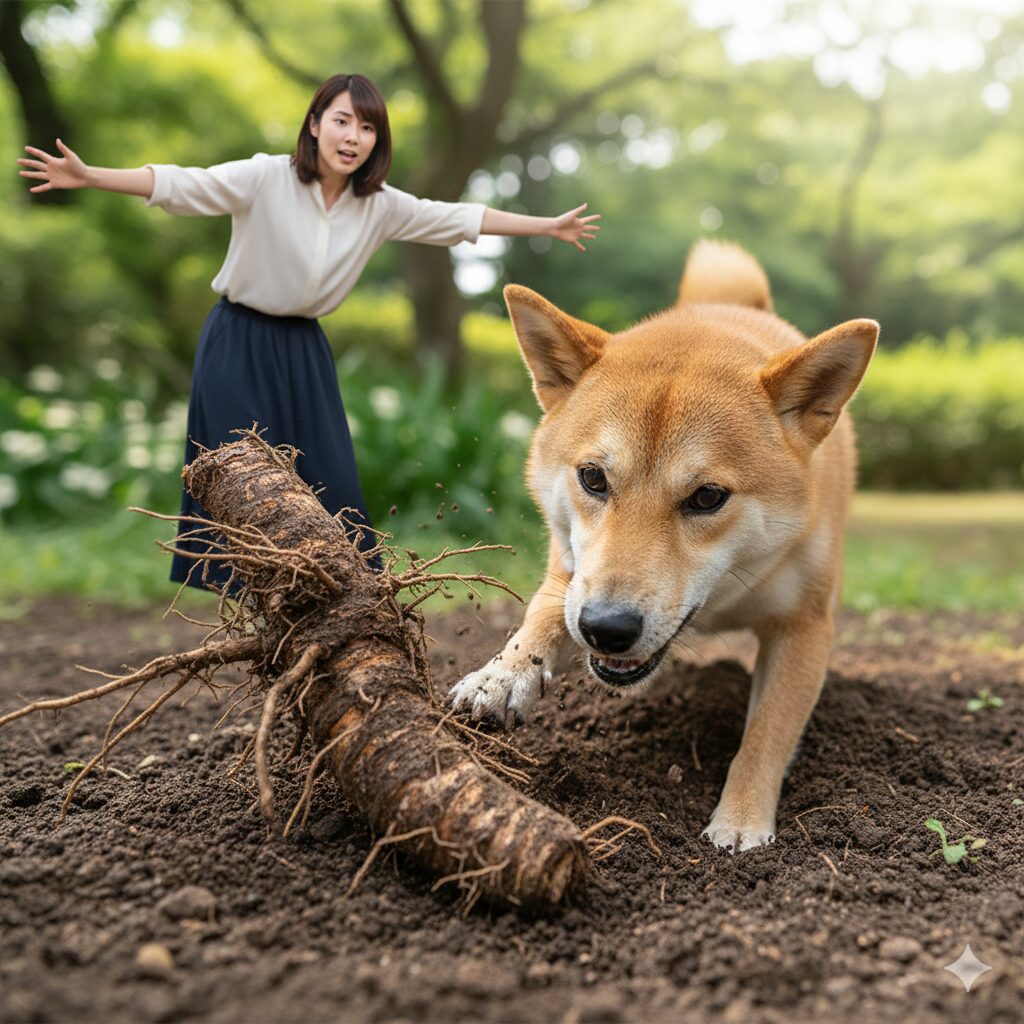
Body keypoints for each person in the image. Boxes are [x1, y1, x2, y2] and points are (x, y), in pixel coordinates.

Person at [18, 72, 601, 593]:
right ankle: (255, 597)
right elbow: (179, 183)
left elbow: (456, 218)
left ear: (377, 141)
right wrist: (89, 175)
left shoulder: (379, 206)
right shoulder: (263, 177)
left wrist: (545, 225)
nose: (353, 136)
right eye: (343, 120)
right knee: (243, 473)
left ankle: (342, 593)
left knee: (326, 475)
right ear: (316, 124)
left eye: (367, 127)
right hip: (238, 341)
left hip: (304, 351)